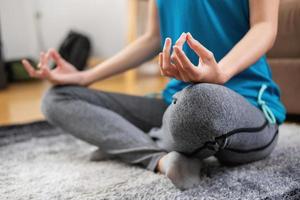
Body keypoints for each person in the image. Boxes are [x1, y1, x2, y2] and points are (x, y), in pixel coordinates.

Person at [22, 0, 285, 190]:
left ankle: (126, 143)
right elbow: (152, 38)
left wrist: (221, 73)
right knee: (58, 98)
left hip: (242, 104)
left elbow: (264, 26)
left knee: (200, 104)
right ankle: (159, 158)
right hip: (174, 104)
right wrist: (84, 77)